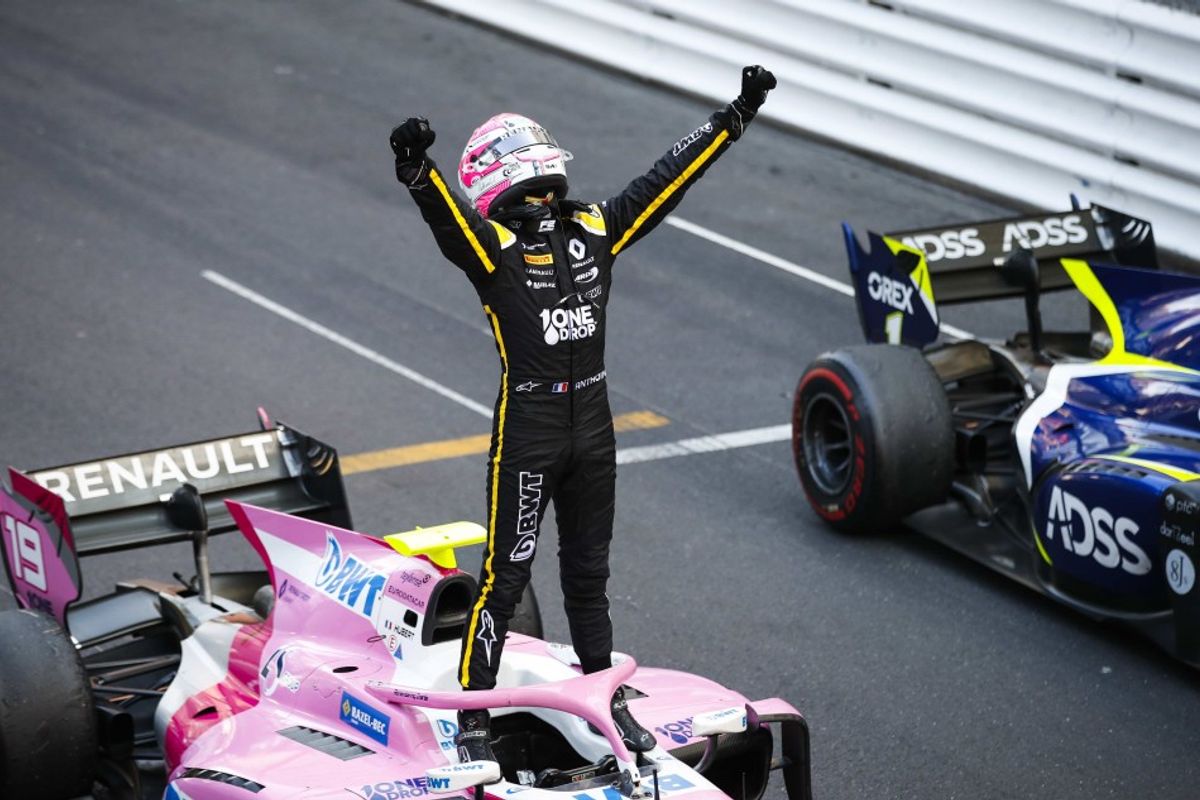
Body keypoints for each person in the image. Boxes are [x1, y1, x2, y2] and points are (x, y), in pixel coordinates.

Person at [389, 65, 776, 763]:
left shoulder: (593, 227)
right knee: (505, 579)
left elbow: (665, 182)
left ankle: (605, 697)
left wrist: (733, 116)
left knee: (588, 576)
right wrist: (417, 171)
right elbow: (447, 221)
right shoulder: (495, 248)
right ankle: (475, 716)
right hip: (531, 434)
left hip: (592, 430)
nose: (543, 195)